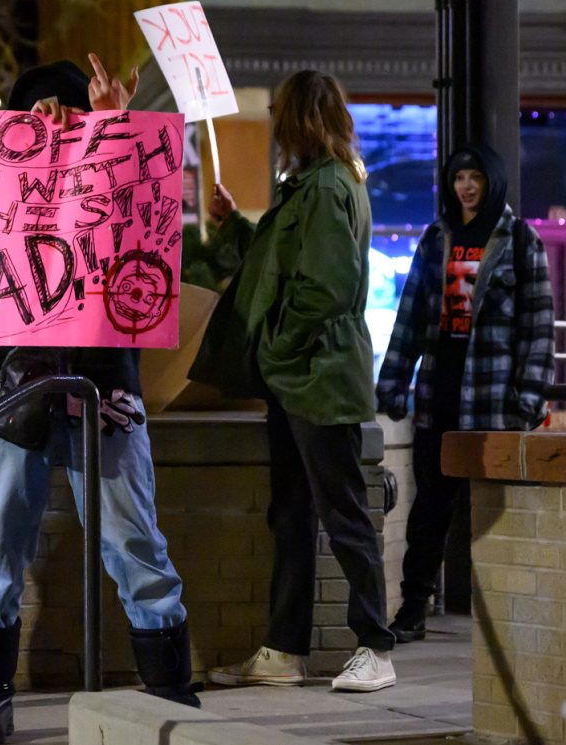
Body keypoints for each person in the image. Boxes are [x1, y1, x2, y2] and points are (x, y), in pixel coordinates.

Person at [0, 56, 195, 745]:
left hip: (105, 383)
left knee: (133, 541)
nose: (52, 120)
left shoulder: (110, 175)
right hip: (12, 379)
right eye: (34, 112)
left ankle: (171, 692)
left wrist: (113, 127)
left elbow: (152, 215)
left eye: (63, 110)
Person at [190, 70, 397, 692]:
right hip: (301, 377)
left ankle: (375, 646)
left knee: (342, 512)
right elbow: (281, 262)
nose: (274, 125)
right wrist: (233, 227)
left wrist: (278, 352)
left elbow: (325, 287)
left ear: (299, 118)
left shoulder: (328, 186)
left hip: (318, 377)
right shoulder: (310, 184)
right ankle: (284, 650)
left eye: (280, 114)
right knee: (293, 513)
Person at [376, 144, 555, 642]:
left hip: (494, 400)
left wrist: (529, 396)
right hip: (439, 394)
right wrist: (393, 380)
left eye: (475, 177)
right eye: (459, 177)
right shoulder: (437, 239)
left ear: (491, 181)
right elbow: (411, 313)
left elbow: (539, 326)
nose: (466, 186)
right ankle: (413, 609)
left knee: (496, 509)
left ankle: (505, 613)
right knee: (430, 508)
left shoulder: (520, 241)